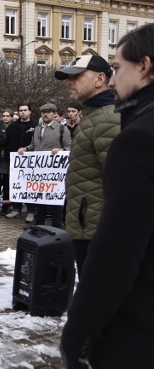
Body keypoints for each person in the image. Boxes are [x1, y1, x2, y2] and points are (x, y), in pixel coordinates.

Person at [60, 23, 154, 369]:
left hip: (107, 245)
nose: (114, 80)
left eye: (116, 69)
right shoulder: (106, 118)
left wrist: (80, 333)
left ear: (144, 66)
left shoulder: (128, 128)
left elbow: (121, 245)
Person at [54, 54, 120, 278]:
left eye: (77, 76)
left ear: (100, 79)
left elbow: (121, 182)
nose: (70, 82)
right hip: (86, 224)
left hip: (97, 231)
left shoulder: (107, 119)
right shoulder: (93, 116)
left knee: (99, 296)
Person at [18, 102, 71, 228]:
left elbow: (69, 148)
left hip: (55, 171)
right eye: (43, 112)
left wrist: (61, 151)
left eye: (48, 112)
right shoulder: (37, 128)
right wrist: (25, 149)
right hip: (39, 170)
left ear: (54, 114)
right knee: (39, 196)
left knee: (56, 197)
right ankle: (39, 223)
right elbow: (34, 145)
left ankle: (56, 225)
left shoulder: (62, 129)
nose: (45, 114)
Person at [4, 104, 38, 221]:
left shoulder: (35, 126)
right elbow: (6, 143)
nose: (23, 112)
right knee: (16, 184)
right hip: (15, 161)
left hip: (30, 161)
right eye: (20, 110)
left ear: (30, 111)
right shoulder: (12, 127)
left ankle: (30, 210)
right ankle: (16, 208)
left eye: (25, 110)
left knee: (29, 185)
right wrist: (9, 156)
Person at [0, 108, 14, 214]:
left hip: (9, 160)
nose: (5, 118)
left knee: (8, 185)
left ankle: (6, 206)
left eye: (7, 116)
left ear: (11, 117)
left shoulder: (13, 128)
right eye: (3, 115)